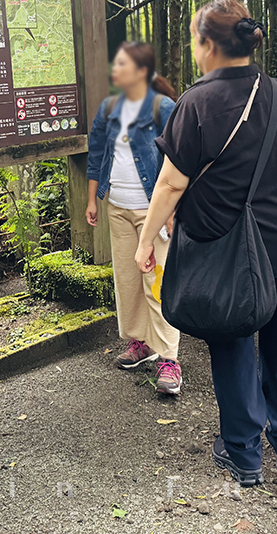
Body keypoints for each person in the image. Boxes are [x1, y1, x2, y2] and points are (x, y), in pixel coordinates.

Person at [134, 0, 277, 485]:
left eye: (196, 40)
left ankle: (243, 453)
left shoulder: (197, 103)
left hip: (221, 248)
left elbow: (171, 183)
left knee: (232, 343)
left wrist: (145, 240)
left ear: (208, 44)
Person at [86, 42, 181, 395]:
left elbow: (179, 160)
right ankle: (141, 343)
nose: (116, 70)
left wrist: (172, 210)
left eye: (123, 63)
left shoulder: (163, 107)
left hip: (152, 212)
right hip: (118, 207)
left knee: (157, 284)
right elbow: (97, 152)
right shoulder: (109, 108)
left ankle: (170, 357)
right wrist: (93, 198)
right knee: (127, 281)